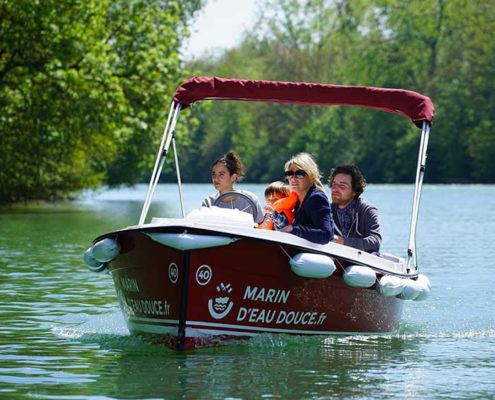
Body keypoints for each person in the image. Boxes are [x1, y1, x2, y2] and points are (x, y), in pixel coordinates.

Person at [276, 153, 333, 244]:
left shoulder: (317, 198)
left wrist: (292, 229)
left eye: (299, 174)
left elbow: (325, 235)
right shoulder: (296, 201)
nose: (293, 179)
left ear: (312, 176)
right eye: (289, 174)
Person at [328, 163, 381, 253]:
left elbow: (375, 242)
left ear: (355, 191)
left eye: (342, 185)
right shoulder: (326, 211)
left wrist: (343, 241)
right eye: (334, 184)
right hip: (333, 260)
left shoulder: (367, 210)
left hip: (361, 262)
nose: (335, 189)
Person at [202, 151, 264, 223]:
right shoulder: (208, 202)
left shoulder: (250, 200)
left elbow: (261, 226)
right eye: (213, 174)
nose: (216, 178)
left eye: (221, 174)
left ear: (233, 177)